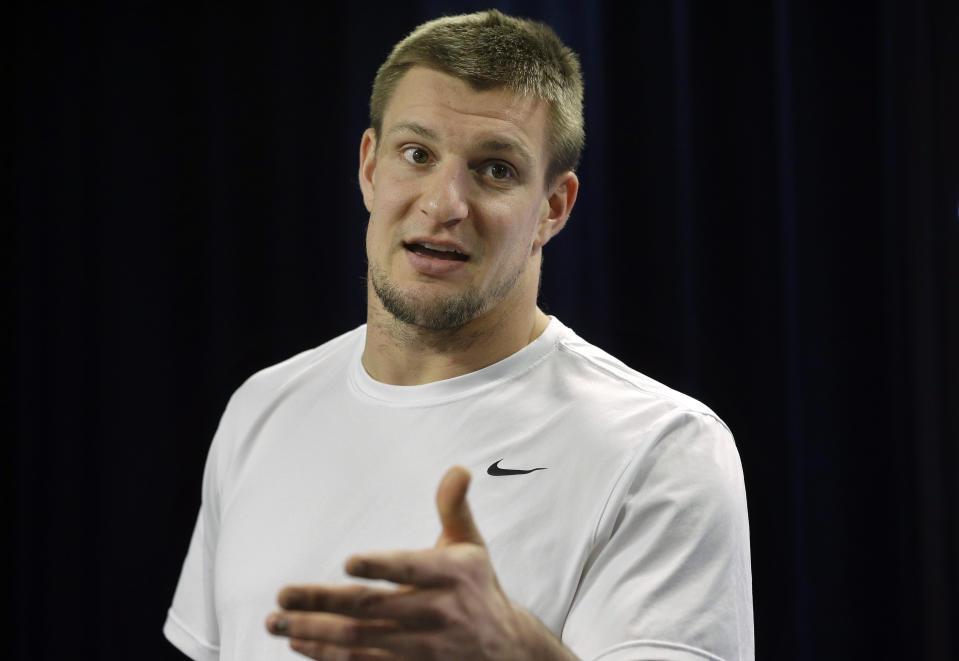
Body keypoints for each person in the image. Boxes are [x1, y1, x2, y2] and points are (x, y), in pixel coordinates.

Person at [164, 9, 753, 661]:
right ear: (369, 167)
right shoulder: (261, 409)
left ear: (552, 209)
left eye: (495, 168)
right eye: (416, 154)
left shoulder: (662, 449)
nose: (444, 202)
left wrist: (513, 652)